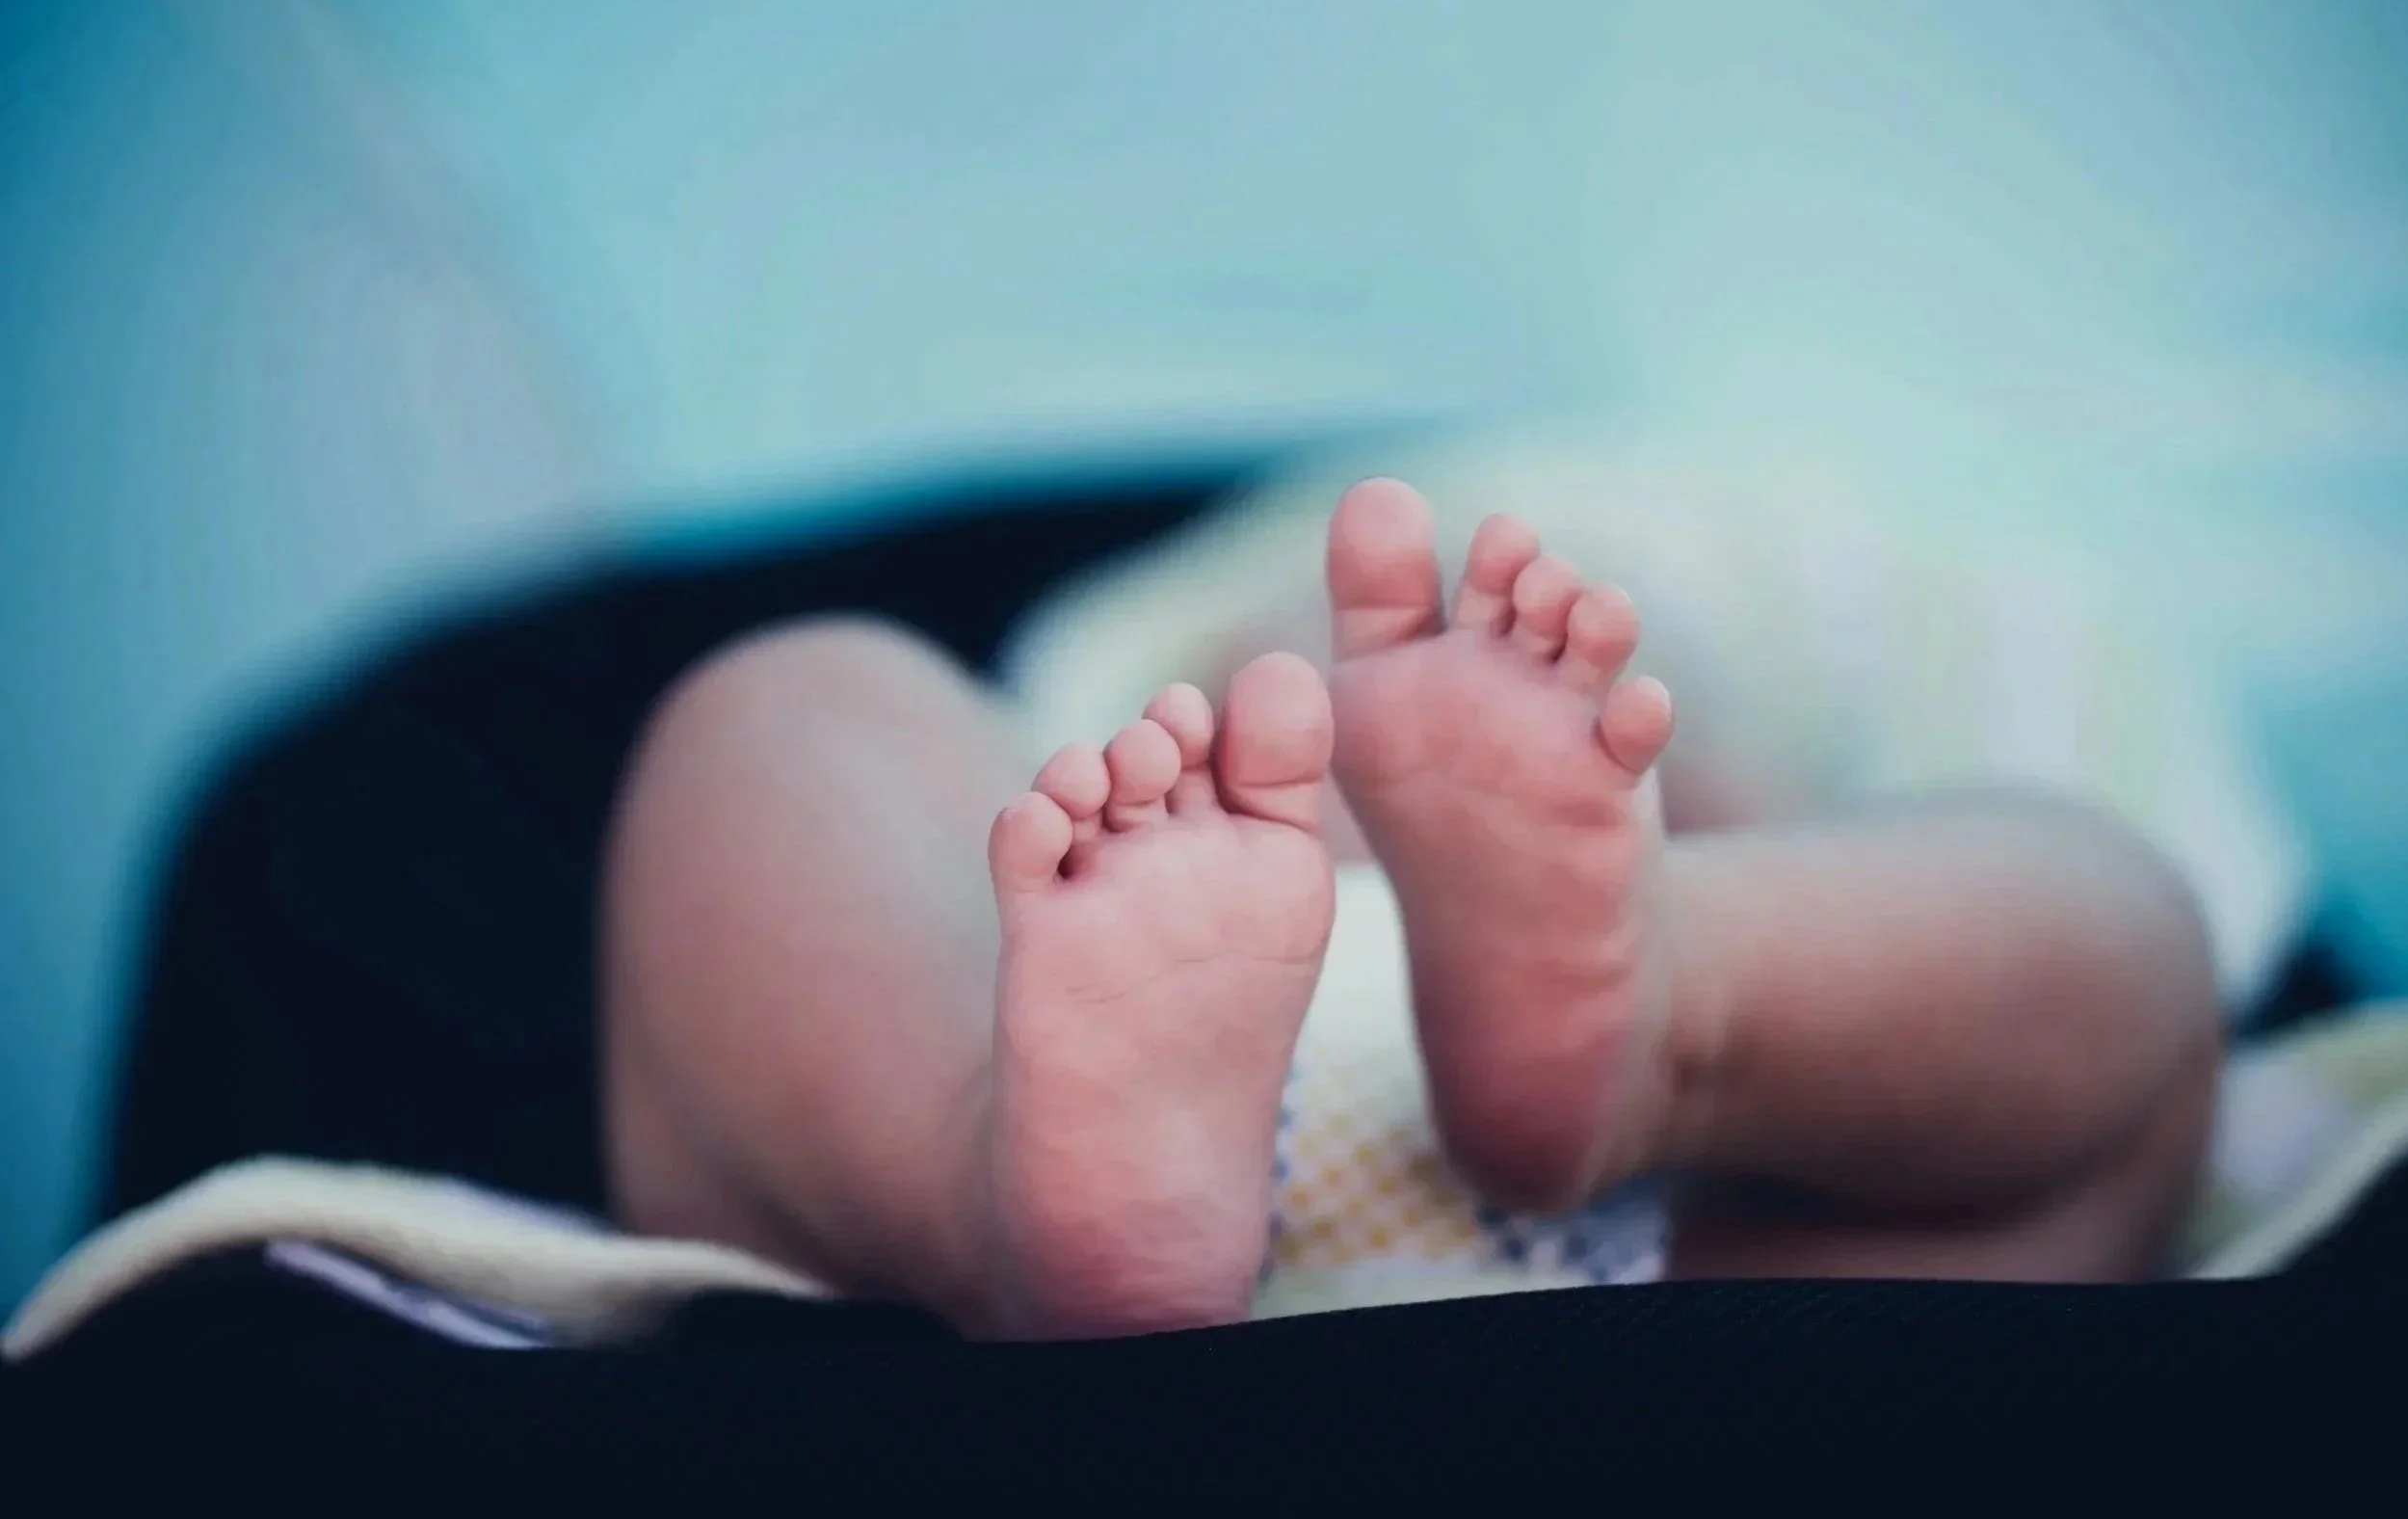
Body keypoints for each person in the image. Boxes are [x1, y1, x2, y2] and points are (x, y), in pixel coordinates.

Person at [598, 477, 2220, 1340]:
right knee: (802, 736)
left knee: (2117, 947)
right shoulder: (1058, 796)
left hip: (1721, 1219)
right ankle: (993, 1178)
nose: (1407, 648)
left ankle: (1666, 1010)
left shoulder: (1841, 732)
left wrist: (1690, 819)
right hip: (1080, 1063)